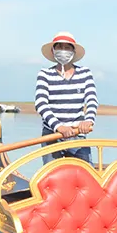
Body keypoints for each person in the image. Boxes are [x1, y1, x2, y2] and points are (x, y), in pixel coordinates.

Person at [35, 32, 98, 165]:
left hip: (77, 133)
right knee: (51, 176)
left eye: (67, 47)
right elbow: (41, 104)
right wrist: (59, 127)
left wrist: (88, 121)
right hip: (52, 134)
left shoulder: (85, 73)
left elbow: (92, 100)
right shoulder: (45, 74)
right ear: (53, 51)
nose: (63, 51)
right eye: (60, 47)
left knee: (86, 172)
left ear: (73, 51)